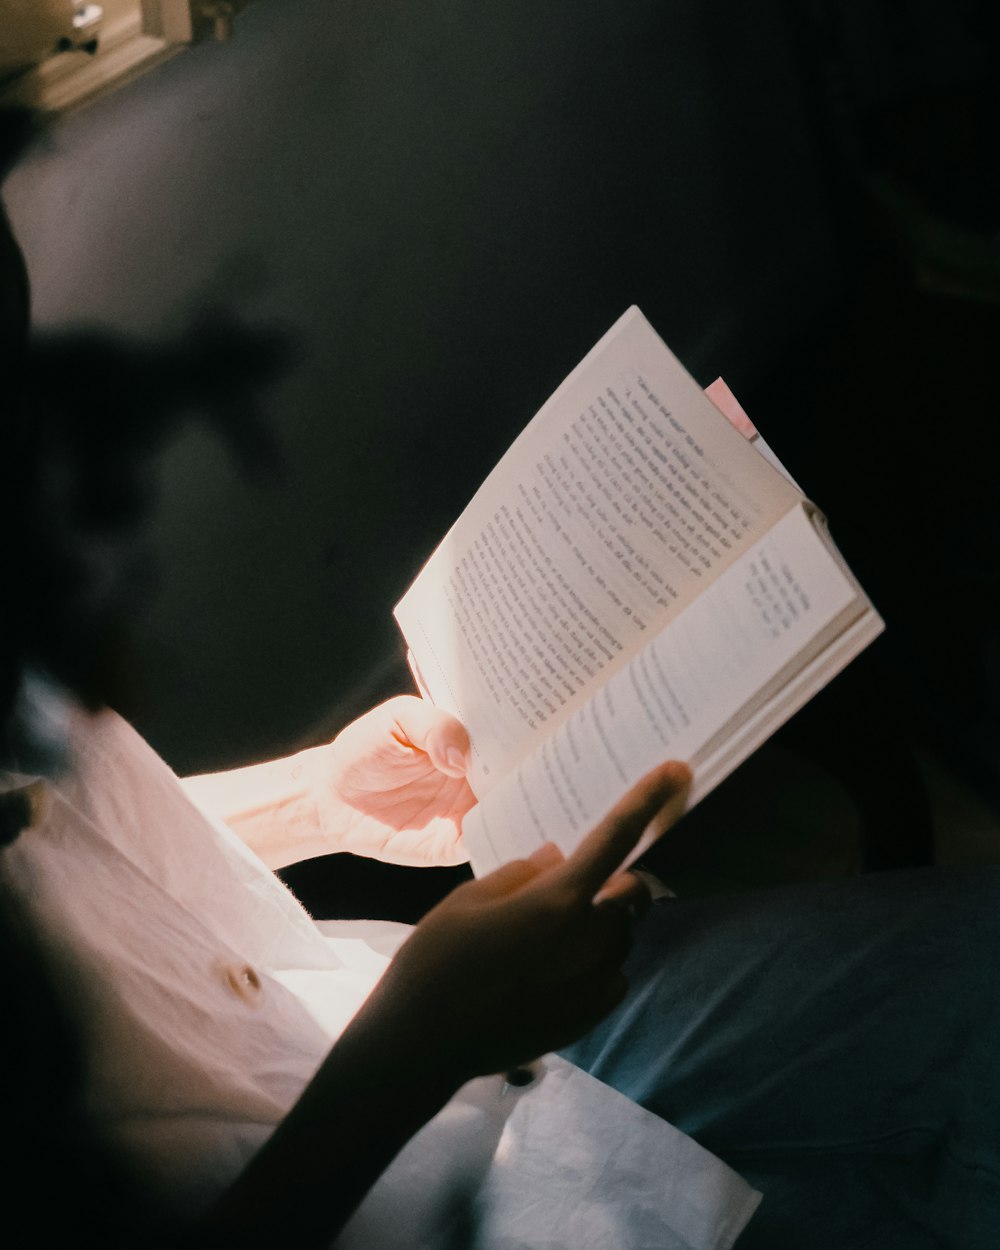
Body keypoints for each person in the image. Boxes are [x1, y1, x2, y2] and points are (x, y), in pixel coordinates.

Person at [3, 108, 999, 1249]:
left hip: (354, 1022)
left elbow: (59, 843)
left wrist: (312, 797)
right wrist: (411, 1051)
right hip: (368, 1145)